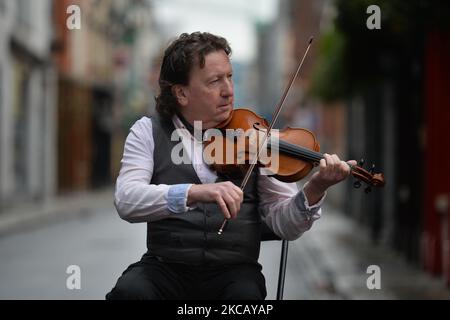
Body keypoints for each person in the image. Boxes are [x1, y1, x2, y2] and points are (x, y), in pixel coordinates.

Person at [106, 32, 356, 300]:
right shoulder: (148, 132)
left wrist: (315, 188)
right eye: (215, 81)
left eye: (229, 76)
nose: (228, 90)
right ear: (181, 93)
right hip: (165, 269)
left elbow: (286, 226)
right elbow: (126, 200)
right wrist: (194, 192)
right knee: (129, 293)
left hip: (234, 273)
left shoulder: (257, 137)